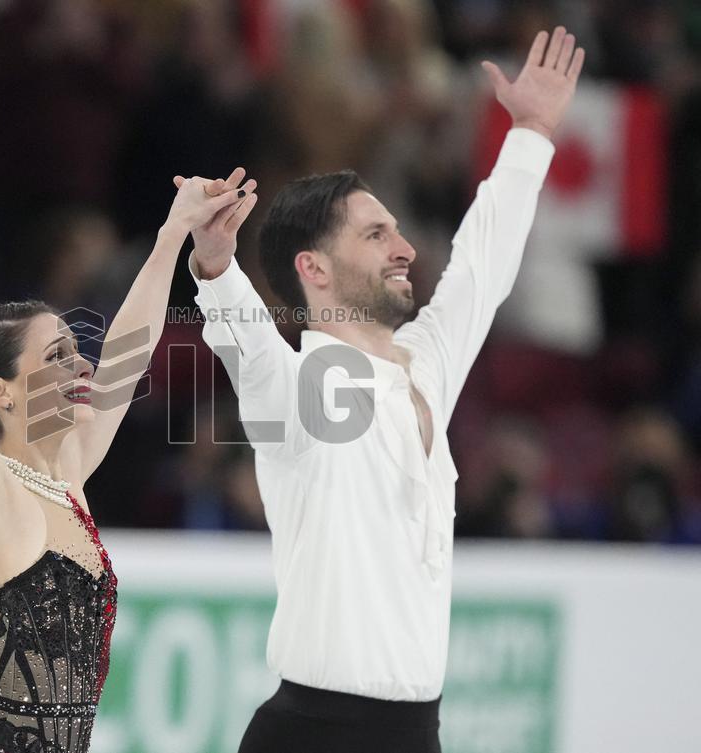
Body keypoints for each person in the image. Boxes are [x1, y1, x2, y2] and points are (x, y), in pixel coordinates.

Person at [187, 28, 584, 753]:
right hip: (310, 735)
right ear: (314, 268)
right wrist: (215, 261)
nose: (405, 247)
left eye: (398, 230)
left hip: (415, 734)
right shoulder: (297, 387)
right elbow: (239, 336)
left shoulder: (425, 363)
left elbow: (480, 270)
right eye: (376, 235)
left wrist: (529, 134)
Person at [0, 115, 257, 753]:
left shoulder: (68, 472)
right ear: (1, 391)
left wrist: (173, 233)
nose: (82, 366)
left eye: (75, 350)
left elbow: (128, 353)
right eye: (57, 357)